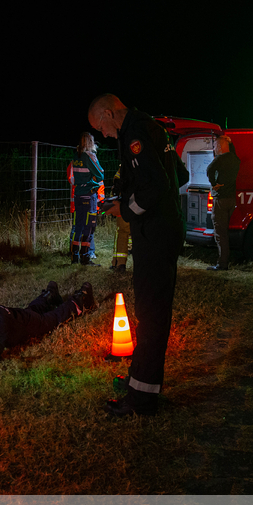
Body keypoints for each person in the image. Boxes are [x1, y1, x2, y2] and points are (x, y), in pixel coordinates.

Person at [88, 93, 187, 417]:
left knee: (151, 316)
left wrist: (125, 209)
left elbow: (155, 187)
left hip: (154, 234)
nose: (103, 134)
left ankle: (141, 399)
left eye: (99, 126)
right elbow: (179, 176)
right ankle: (139, 381)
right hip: (163, 230)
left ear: (107, 112)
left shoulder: (135, 133)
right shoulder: (153, 127)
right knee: (151, 313)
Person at [0, 281, 96, 364]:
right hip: (18, 315)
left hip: (26, 325)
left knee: (52, 319)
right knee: (32, 309)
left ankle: (81, 300)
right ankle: (49, 295)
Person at [206, 135, 240, 271]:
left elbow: (209, 170)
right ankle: (225, 260)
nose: (214, 148)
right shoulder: (235, 159)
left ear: (219, 147)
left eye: (214, 146)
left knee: (220, 233)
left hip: (220, 200)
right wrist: (230, 143)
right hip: (231, 199)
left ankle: (222, 264)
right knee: (225, 231)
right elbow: (235, 153)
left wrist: (214, 184)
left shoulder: (219, 159)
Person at [69, 132, 104, 266]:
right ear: (90, 142)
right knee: (89, 227)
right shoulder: (89, 156)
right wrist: (94, 179)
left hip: (78, 195)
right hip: (89, 196)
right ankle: (85, 257)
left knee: (77, 227)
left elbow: (72, 178)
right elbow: (100, 174)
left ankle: (74, 257)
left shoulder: (75, 156)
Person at [109, 166, 132, 272]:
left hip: (124, 203)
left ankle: (119, 263)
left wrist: (114, 198)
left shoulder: (124, 165)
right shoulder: (145, 161)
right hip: (141, 204)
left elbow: (117, 182)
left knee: (122, 232)